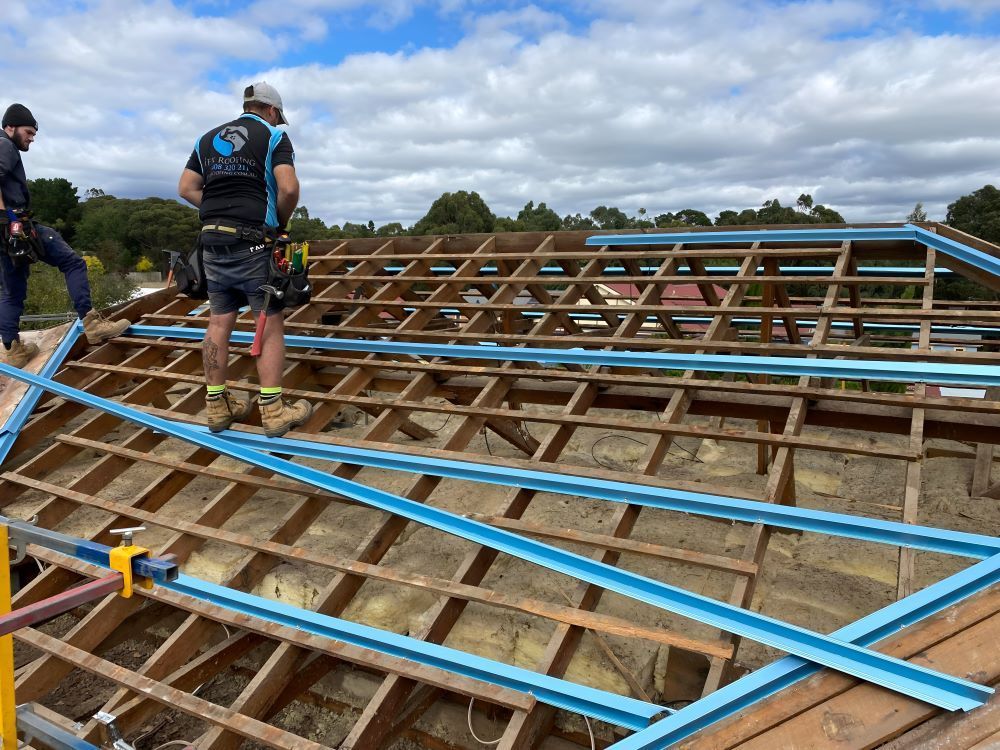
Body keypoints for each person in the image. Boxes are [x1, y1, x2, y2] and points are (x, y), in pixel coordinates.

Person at [178, 82, 312, 437]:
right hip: (253, 243)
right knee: (268, 322)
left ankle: (217, 405)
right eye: (278, 117)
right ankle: (272, 409)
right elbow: (288, 188)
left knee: (219, 322)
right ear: (271, 111)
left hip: (212, 244)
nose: (278, 122)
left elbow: (186, 188)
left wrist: (217, 211)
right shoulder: (272, 137)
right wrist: (279, 223)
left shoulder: (205, 140)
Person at [0, 103, 130, 367]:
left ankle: (12, 349)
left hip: (6, 231)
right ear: (10, 127)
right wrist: (7, 218)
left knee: (12, 290)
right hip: (15, 225)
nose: (32, 138)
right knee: (72, 262)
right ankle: (92, 323)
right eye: (28, 132)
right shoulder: (5, 146)